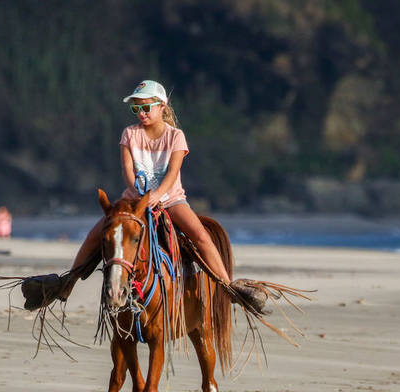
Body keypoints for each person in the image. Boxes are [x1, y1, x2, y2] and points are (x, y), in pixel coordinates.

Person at [21, 80, 266, 314]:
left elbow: (172, 174)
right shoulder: (130, 134)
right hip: (133, 200)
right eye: (135, 108)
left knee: (200, 235)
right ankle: (68, 283)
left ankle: (228, 287)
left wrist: (156, 196)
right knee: (97, 234)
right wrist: (140, 197)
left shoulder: (175, 137)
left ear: (162, 107)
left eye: (146, 107)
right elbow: (128, 172)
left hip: (171, 199)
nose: (141, 113)